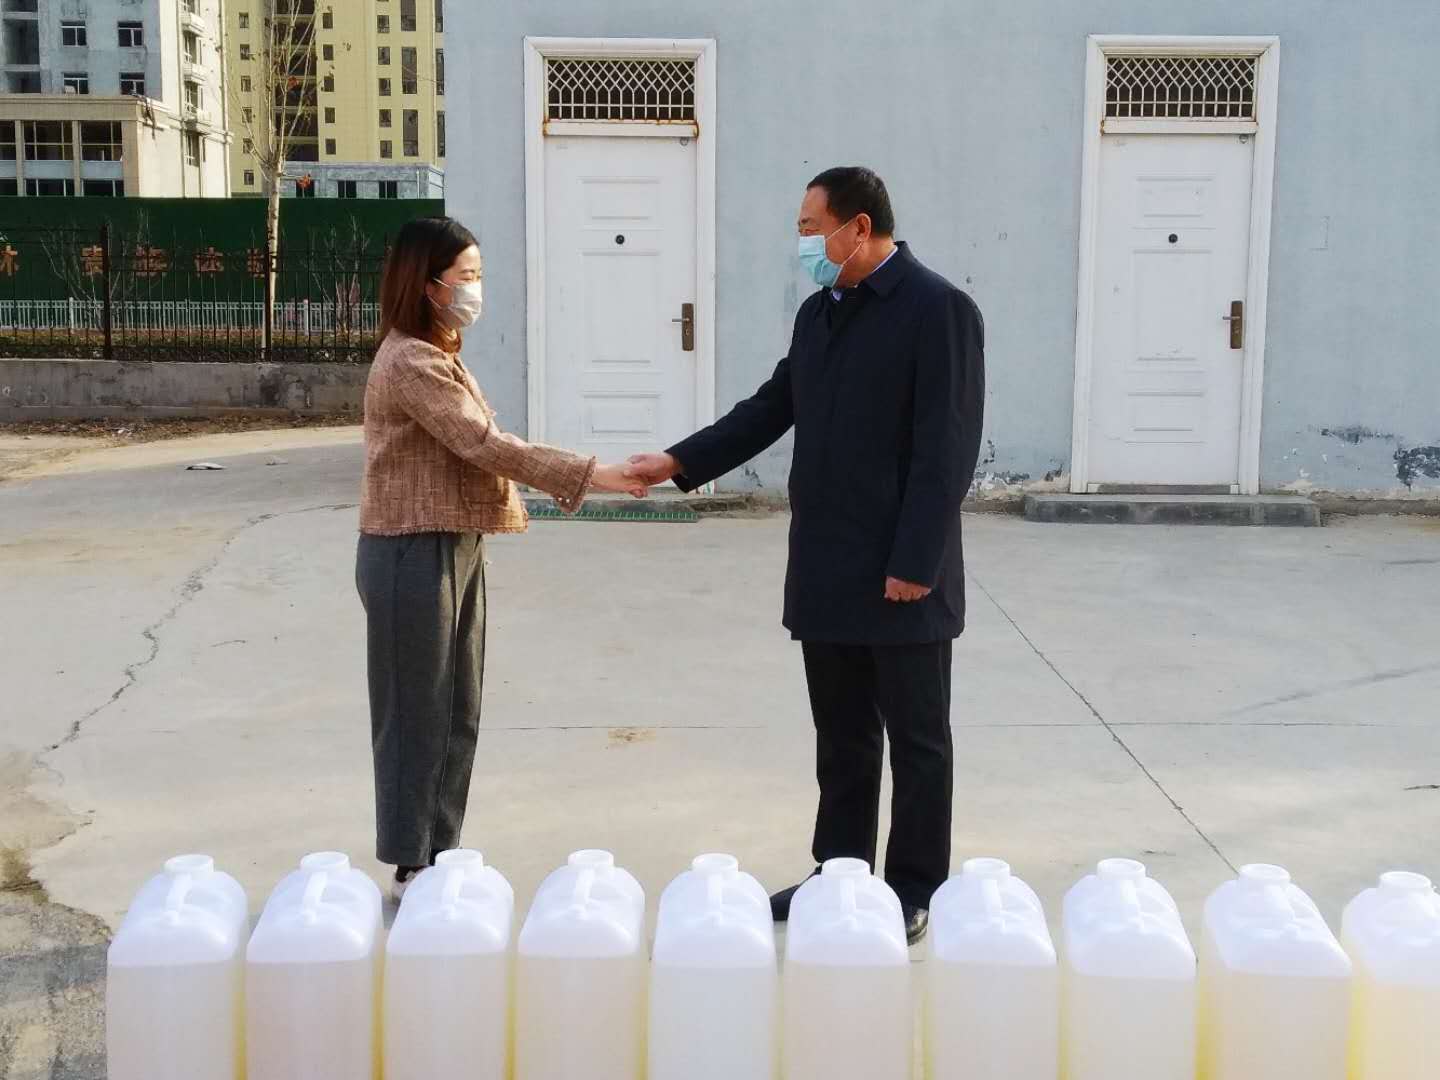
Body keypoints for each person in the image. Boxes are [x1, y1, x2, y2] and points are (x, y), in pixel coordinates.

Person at [627, 167, 985, 943]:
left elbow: (946, 449)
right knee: (843, 735)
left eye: (809, 227)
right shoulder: (819, 314)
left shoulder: (938, 310)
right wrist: (679, 461)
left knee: (918, 740)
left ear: (859, 228)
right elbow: (771, 407)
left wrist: (916, 562)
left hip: (901, 572)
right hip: (827, 565)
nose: (803, 244)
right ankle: (840, 869)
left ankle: (913, 886)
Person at [357, 217, 644, 901]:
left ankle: (439, 848)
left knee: (457, 706)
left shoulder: (438, 353)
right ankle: (411, 861)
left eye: (478, 275)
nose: (475, 289)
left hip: (452, 540)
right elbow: (484, 444)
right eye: (467, 277)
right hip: (410, 550)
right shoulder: (411, 362)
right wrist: (594, 474)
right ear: (428, 285)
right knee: (415, 711)